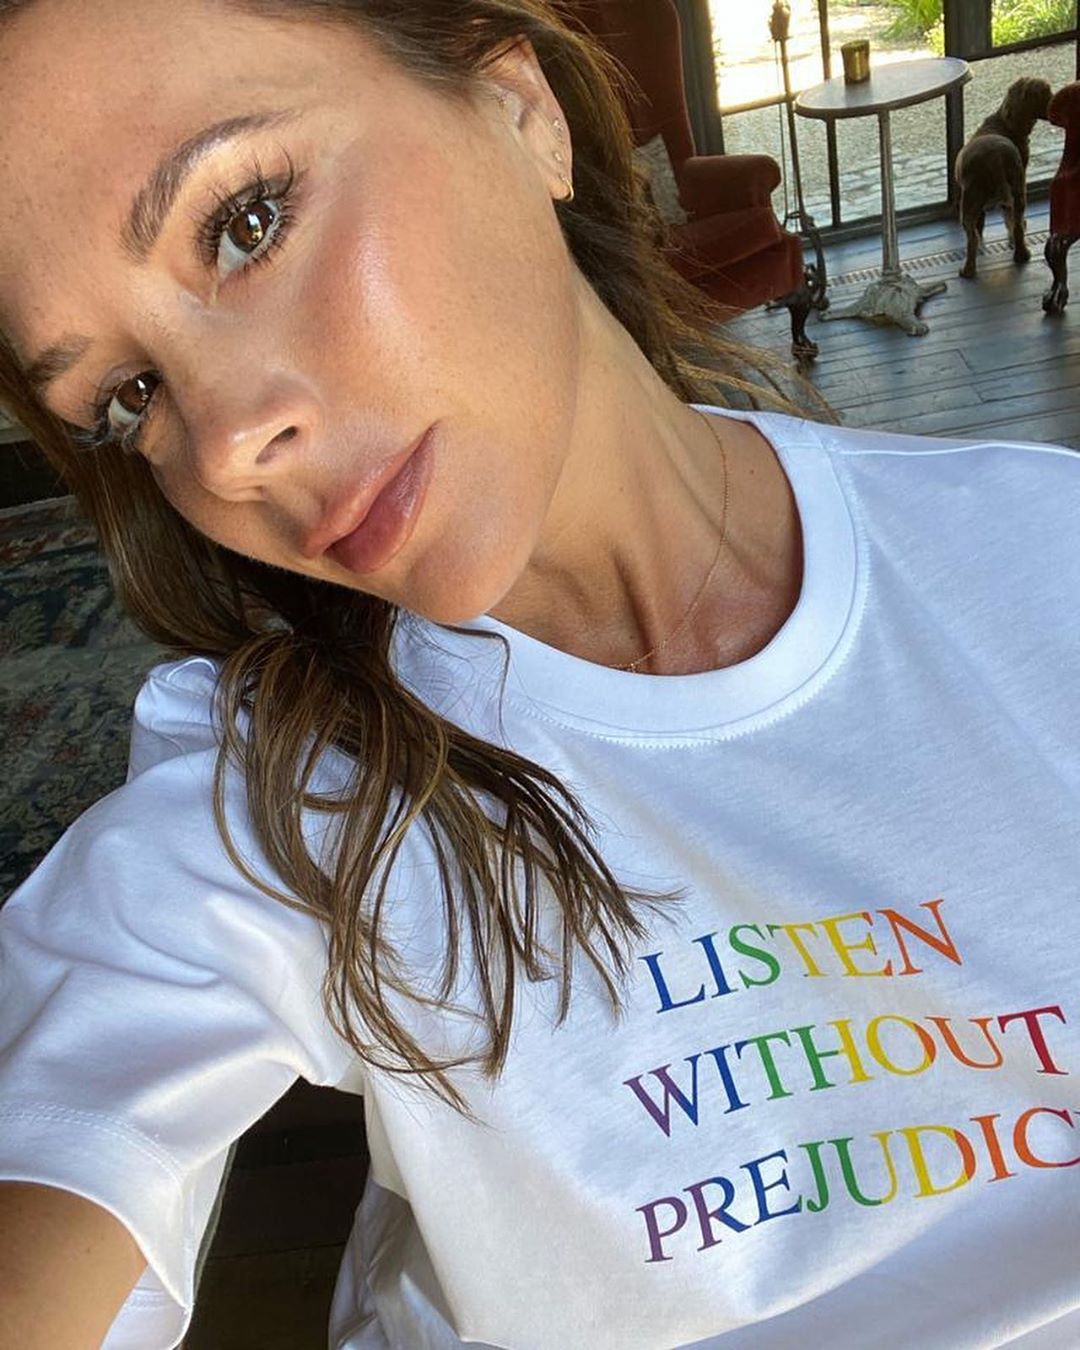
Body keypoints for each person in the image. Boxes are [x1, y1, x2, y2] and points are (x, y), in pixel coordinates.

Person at [0, 0, 1078, 1347]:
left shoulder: (1045, 557)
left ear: (522, 110)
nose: (224, 447)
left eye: (247, 222)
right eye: (130, 396)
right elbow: (58, 1155)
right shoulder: (278, 785)